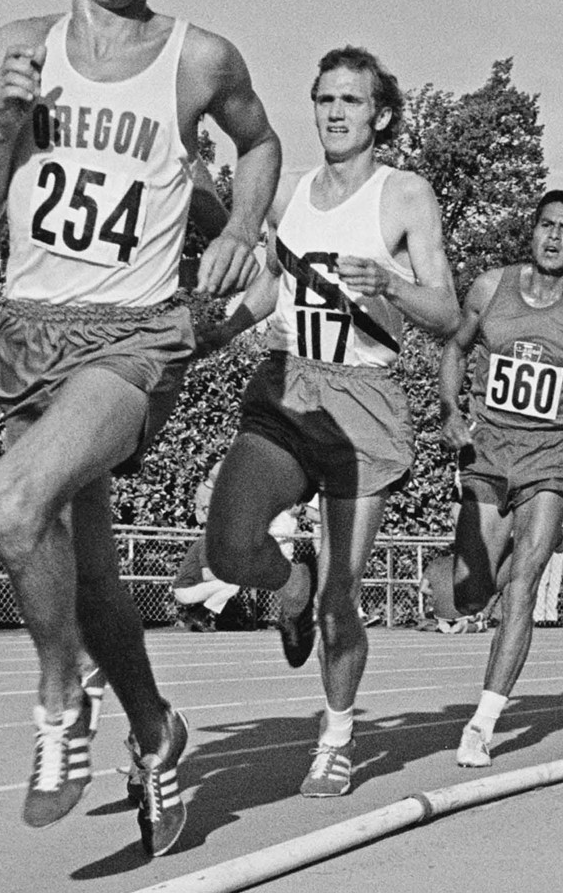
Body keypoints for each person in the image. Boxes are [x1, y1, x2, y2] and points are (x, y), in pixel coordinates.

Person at [0, 0, 282, 856]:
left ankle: (59, 703)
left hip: (133, 340)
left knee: (11, 499)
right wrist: (3, 126)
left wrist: (236, 230)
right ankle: (156, 728)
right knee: (90, 583)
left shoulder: (201, 58)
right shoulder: (18, 46)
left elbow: (260, 144)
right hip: (27, 336)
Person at [197, 45, 457, 798]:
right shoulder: (291, 192)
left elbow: (445, 312)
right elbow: (273, 284)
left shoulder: (405, 195)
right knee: (228, 545)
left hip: (363, 400)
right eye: (324, 99)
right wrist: (210, 334)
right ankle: (290, 580)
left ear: (380, 114)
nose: (335, 112)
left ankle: (337, 737)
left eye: (350, 100)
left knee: (346, 598)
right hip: (287, 385)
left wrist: (395, 284)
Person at [439, 189, 563, 767]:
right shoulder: (491, 287)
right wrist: (449, 411)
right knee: (469, 595)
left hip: (550, 456)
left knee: (525, 580)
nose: (553, 237)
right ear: (533, 230)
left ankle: (482, 723)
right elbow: (455, 347)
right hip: (489, 451)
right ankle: (470, 571)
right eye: (546, 225)